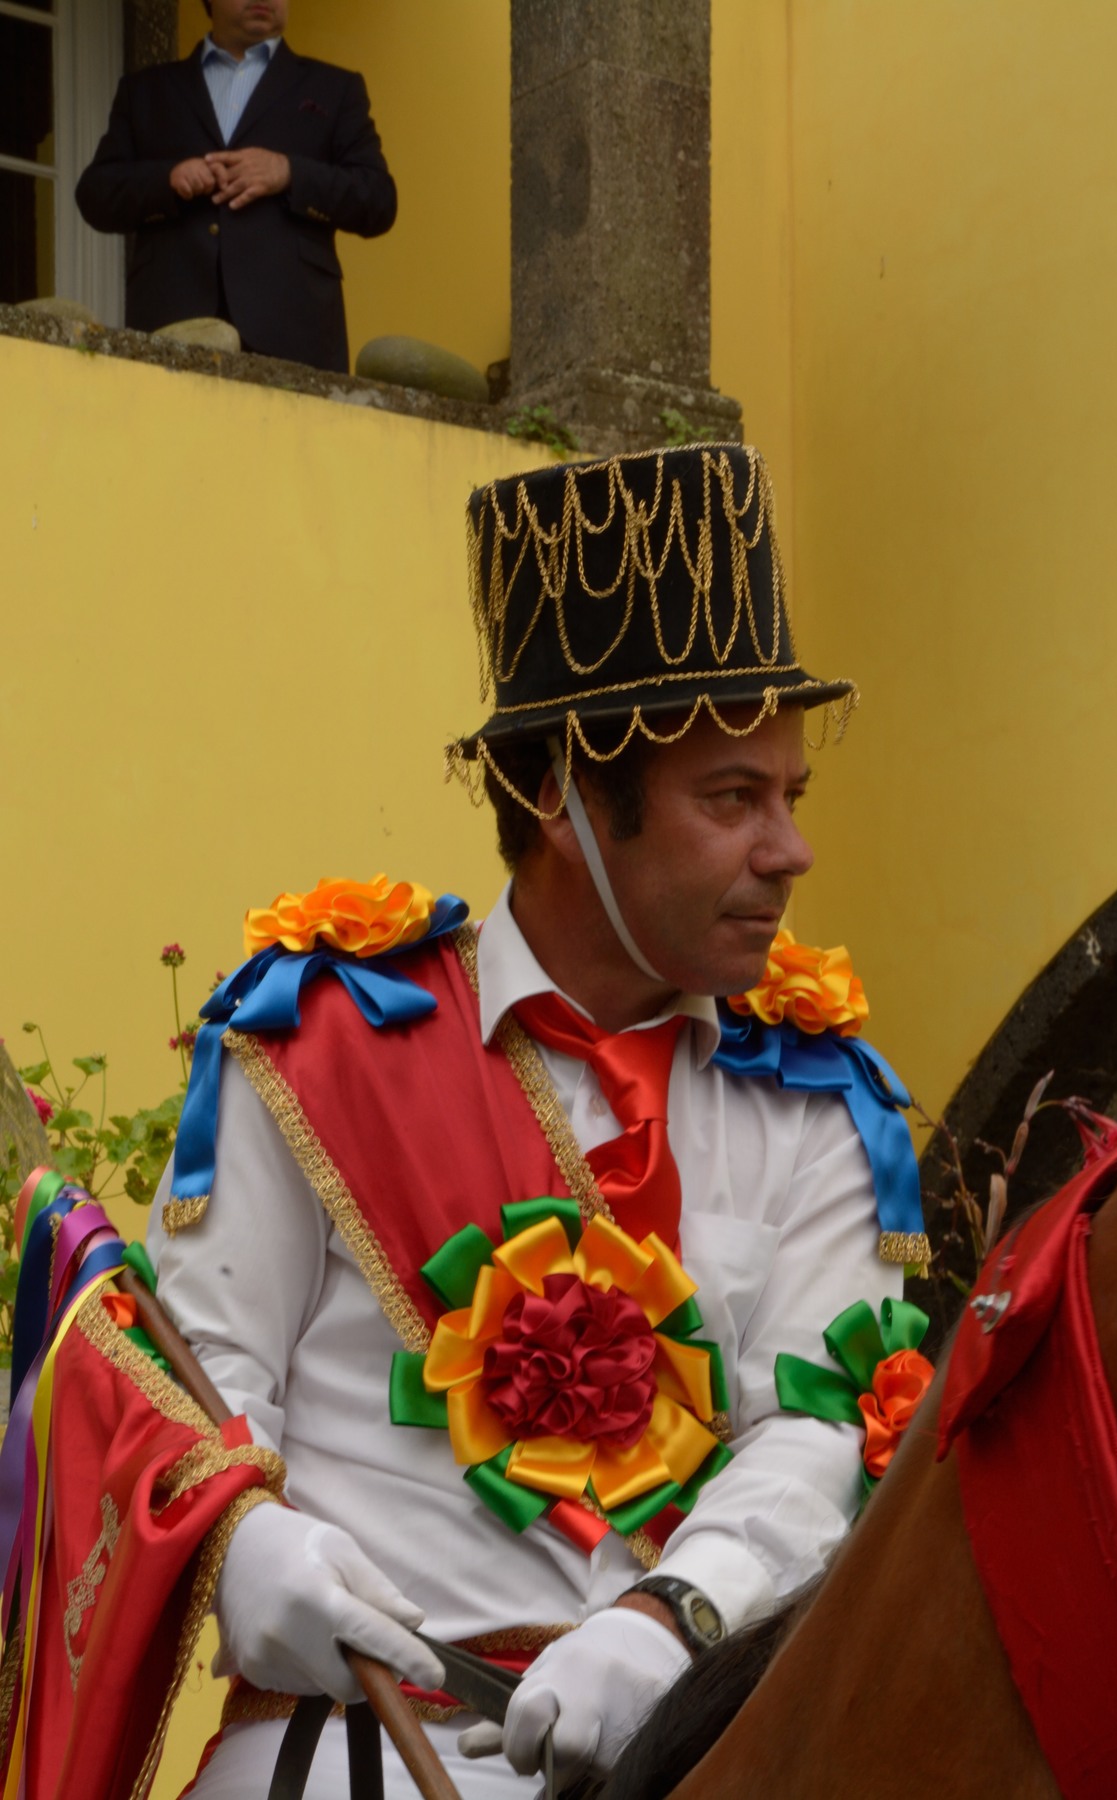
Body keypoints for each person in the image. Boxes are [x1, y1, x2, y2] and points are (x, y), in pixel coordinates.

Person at [147, 443, 928, 1797]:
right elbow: (192, 1381)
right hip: (346, 1756)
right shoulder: (316, 1042)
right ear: (568, 797)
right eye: (732, 799)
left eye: (790, 797)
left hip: (685, 1758)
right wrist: (242, 1543)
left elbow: (814, 1431)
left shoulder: (824, 1103)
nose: (790, 850)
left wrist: (668, 1621)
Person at [75, 0, 396, 372]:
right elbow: (95, 194)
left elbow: (378, 200)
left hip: (294, 336)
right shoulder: (147, 90)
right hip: (171, 329)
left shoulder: (335, 88)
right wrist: (167, 179)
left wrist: (289, 172)